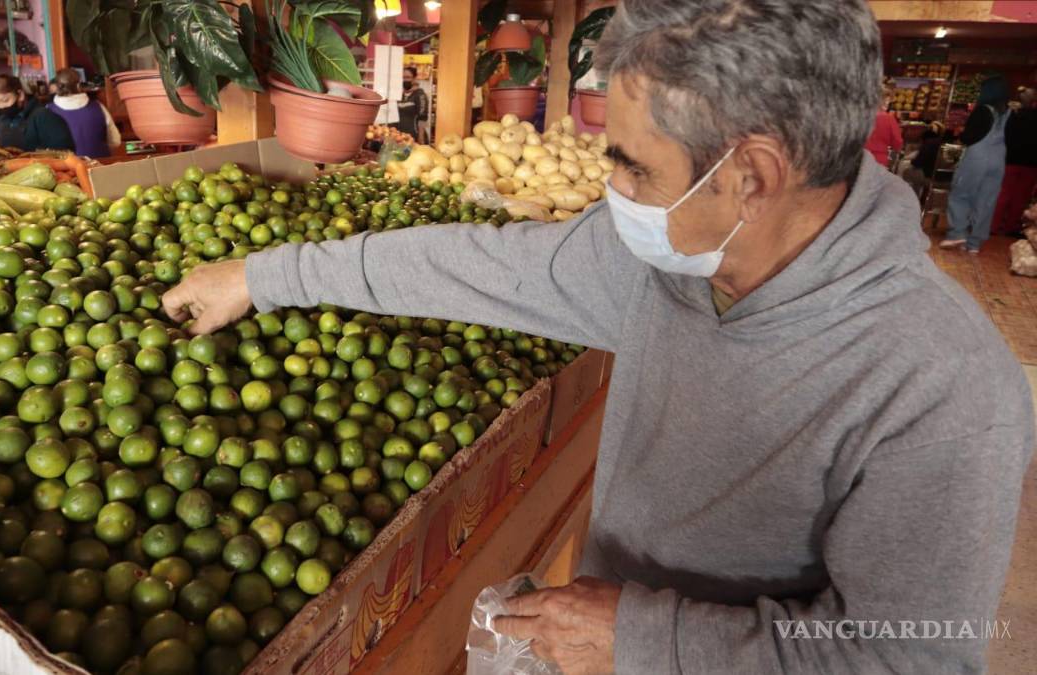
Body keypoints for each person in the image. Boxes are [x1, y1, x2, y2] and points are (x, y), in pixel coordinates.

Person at [165, 1, 1032, 672]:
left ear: (753, 176)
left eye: (632, 165)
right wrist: (265, 276)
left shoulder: (946, 389)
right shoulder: (655, 262)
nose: (610, 190)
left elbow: (907, 655)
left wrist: (644, 638)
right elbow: (476, 263)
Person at [940, 75, 1011, 252]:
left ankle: (957, 234)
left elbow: (970, 137)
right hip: (998, 159)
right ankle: (974, 243)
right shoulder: (1008, 112)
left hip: (977, 158)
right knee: (986, 201)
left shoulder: (982, 110)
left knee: (961, 194)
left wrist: (960, 134)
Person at [0, 74, 74, 152]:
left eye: (5, 100)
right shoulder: (3, 119)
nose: (1, 106)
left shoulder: (43, 117)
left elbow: (64, 154)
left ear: (20, 95)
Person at [48, 68, 122, 159]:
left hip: (65, 169)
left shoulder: (48, 111)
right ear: (79, 85)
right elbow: (115, 141)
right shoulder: (98, 107)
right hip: (100, 166)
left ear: (56, 86)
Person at [991, 87, 1037, 235]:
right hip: (1031, 163)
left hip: (1009, 159)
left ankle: (993, 226)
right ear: (1034, 101)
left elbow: (1004, 136)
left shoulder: (1012, 116)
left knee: (1003, 193)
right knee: (1021, 197)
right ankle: (1011, 227)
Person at [901, 122, 943, 198]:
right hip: (942, 177)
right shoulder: (941, 143)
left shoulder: (929, 143)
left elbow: (917, 163)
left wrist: (912, 161)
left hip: (929, 176)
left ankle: (912, 198)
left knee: (907, 172)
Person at [864, 86, 903, 167]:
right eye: (886, 101)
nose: (887, 104)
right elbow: (897, 142)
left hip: (859, 158)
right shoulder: (888, 118)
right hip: (879, 159)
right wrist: (893, 158)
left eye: (888, 101)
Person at [395, 66, 429, 144]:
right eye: (403, 77)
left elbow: (422, 118)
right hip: (400, 137)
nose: (405, 80)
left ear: (414, 78)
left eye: (408, 77)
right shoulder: (398, 94)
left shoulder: (420, 95)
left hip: (415, 136)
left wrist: (421, 137)